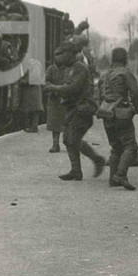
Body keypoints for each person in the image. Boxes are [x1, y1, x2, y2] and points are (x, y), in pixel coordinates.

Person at [43, 42, 106, 181]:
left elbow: (72, 88)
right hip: (73, 109)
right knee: (68, 139)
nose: (58, 58)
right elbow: (66, 88)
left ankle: (96, 160)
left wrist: (53, 87)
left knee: (72, 139)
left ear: (70, 54)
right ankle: (76, 170)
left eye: (61, 54)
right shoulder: (70, 68)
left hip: (83, 108)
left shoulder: (80, 68)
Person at [98, 47, 138, 190]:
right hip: (122, 114)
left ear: (112, 60)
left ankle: (113, 178)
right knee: (131, 146)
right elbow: (135, 93)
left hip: (107, 114)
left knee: (116, 147)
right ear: (125, 59)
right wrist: (136, 109)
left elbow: (99, 96)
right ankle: (121, 175)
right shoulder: (125, 73)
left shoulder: (104, 76)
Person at [44, 47, 68, 152]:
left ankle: (69, 144)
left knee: (68, 123)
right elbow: (46, 81)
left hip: (66, 100)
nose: (58, 58)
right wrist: (52, 89)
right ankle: (55, 144)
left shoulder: (68, 69)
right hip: (54, 99)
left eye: (60, 55)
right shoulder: (51, 69)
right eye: (56, 56)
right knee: (54, 124)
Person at [19, 55, 44, 133]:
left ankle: (33, 127)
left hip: (33, 91)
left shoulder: (34, 65)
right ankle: (32, 126)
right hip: (32, 91)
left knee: (34, 109)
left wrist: (23, 82)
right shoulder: (34, 65)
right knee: (33, 109)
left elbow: (34, 77)